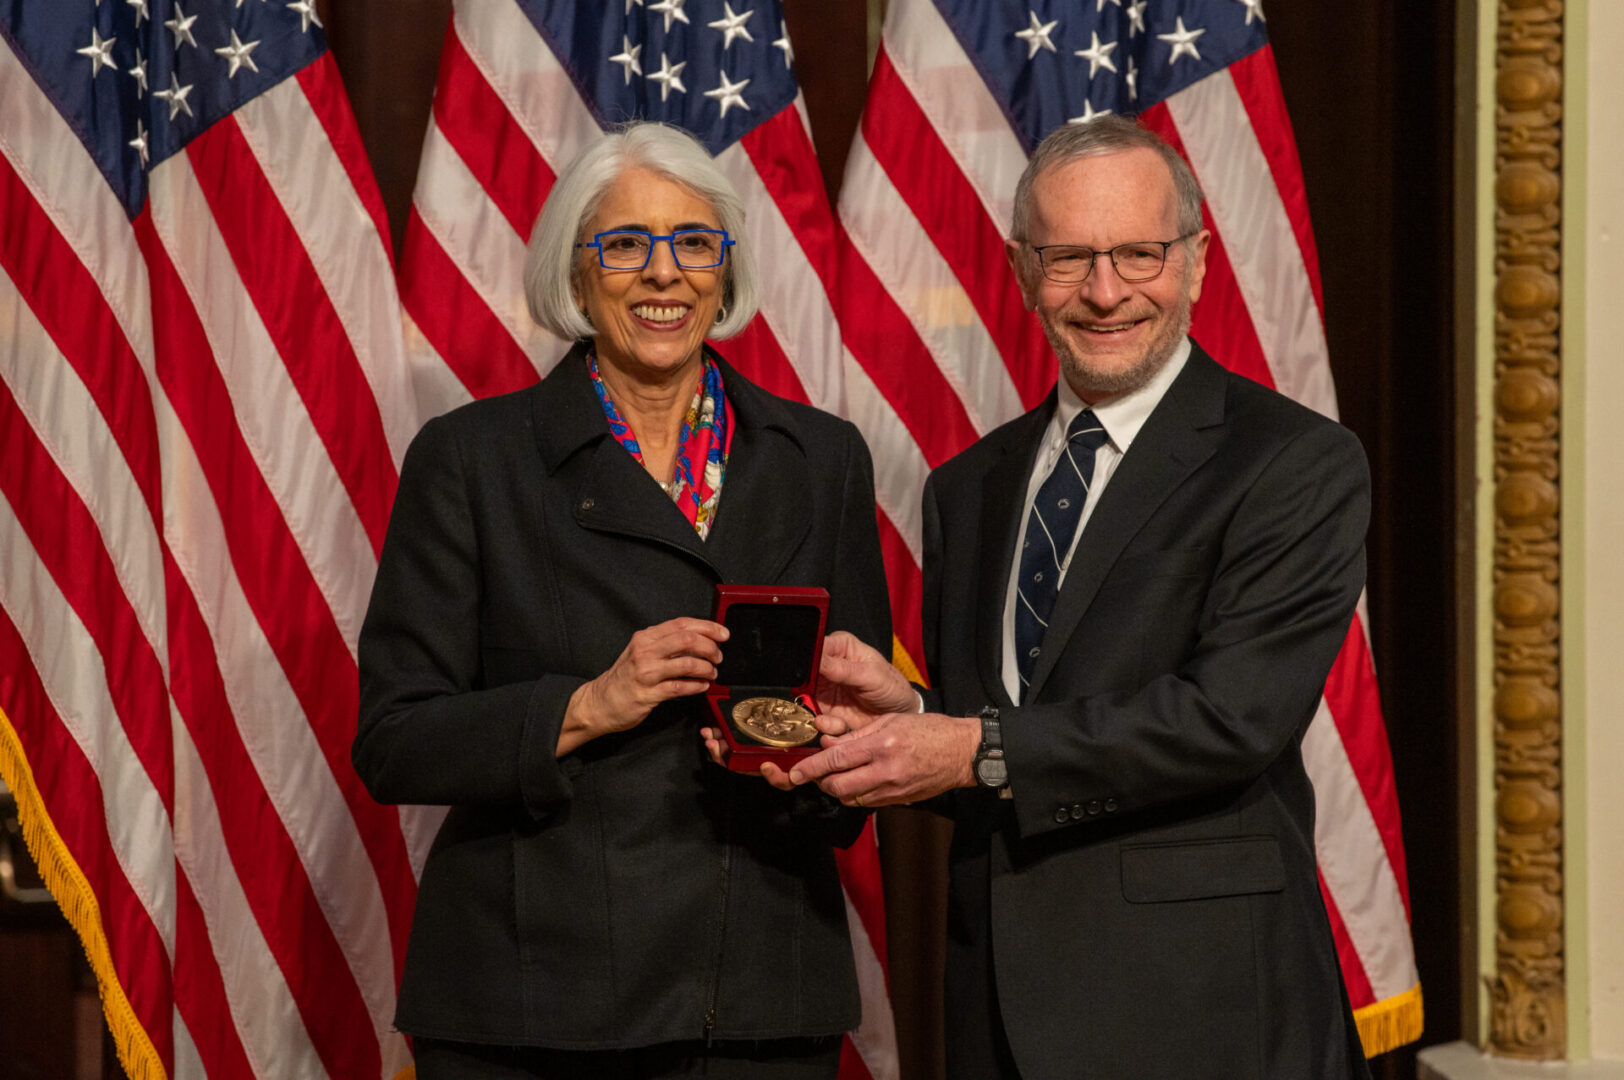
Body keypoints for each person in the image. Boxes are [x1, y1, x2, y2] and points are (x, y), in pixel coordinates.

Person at [792, 116, 1374, 1079]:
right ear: (1024, 269)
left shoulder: (1294, 463)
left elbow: (1230, 719)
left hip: (1206, 1013)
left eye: (1139, 254)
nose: (1106, 293)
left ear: (1195, 262)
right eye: (1069, 258)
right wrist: (913, 727)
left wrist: (969, 747)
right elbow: (1008, 744)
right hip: (999, 1014)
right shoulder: (967, 488)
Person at [353, 121, 891, 1079]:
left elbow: (848, 764)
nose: (663, 275)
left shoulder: (823, 460)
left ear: (724, 274)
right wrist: (584, 705)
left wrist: (829, 759)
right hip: (530, 1009)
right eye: (626, 245)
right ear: (576, 271)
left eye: (693, 244)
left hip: (760, 1001)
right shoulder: (471, 461)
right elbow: (395, 739)